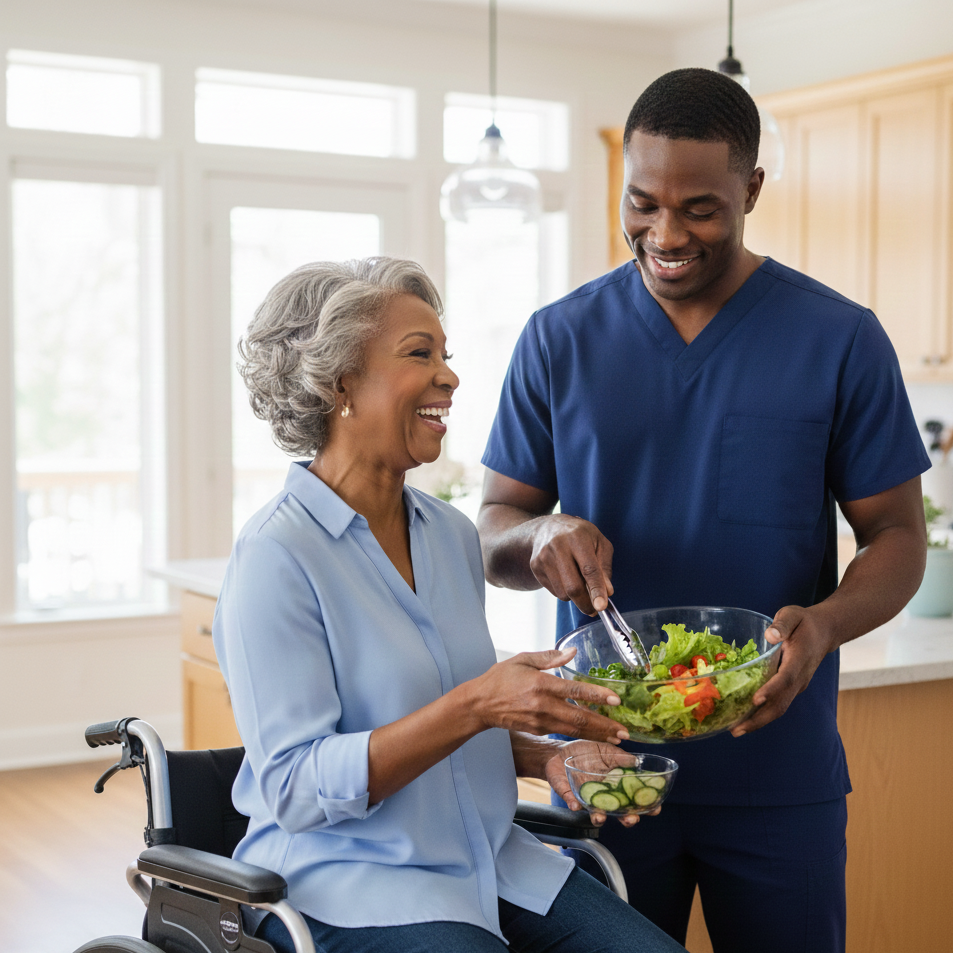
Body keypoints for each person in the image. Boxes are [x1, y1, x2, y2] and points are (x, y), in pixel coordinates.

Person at [478, 68, 930, 953]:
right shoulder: (557, 338)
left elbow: (898, 535)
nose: (664, 234)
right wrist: (538, 532)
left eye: (699, 209)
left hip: (778, 770)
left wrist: (827, 624)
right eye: (641, 203)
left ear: (751, 189)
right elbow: (494, 525)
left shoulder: (838, 338)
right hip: (608, 764)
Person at [212, 256, 689, 953]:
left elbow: (436, 724)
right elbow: (293, 786)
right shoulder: (275, 558)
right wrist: (480, 705)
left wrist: (539, 752)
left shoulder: (449, 536)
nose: (450, 375)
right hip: (347, 888)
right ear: (341, 383)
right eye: (418, 354)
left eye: (446, 353)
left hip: (494, 863)